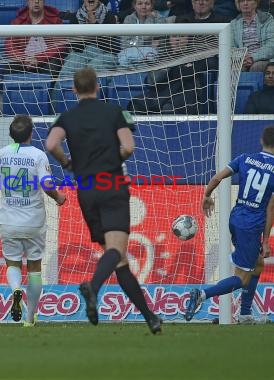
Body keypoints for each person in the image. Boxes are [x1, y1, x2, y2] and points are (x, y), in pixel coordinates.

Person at [46, 67, 162, 334]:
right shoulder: (114, 112)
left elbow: (51, 144)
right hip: (111, 183)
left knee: (118, 260)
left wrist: (67, 163)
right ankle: (93, 287)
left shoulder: (67, 116)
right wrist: (112, 159)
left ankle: (150, 318)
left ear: (74, 89)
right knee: (116, 251)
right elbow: (129, 146)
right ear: (97, 86)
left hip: (85, 187)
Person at [183, 125, 274, 322]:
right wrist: (265, 241)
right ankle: (202, 295)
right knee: (242, 277)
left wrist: (207, 195)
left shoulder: (245, 158)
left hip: (236, 217)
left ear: (261, 141)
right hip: (251, 225)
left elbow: (217, 177)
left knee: (257, 264)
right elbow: (271, 208)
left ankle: (245, 313)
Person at [0, 115, 66, 326]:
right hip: (34, 220)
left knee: (12, 262)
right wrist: (59, 197)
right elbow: (47, 185)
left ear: (10, 134)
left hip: (8, 220)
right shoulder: (38, 155)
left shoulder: (0, 154)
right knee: (34, 267)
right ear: (31, 134)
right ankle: (30, 317)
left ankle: (15, 290)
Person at [4, 0, 68, 77]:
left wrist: (38, 59)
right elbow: (9, 45)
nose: (36, 1)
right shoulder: (17, 22)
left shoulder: (55, 21)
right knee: (8, 69)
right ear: (27, 2)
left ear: (44, 2)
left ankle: (52, 89)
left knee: (53, 66)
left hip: (46, 61)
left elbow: (59, 45)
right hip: (24, 61)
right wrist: (24, 58)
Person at [230, 0, 274, 72]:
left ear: (256, 2)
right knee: (231, 69)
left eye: (249, 0)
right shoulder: (233, 24)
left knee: (256, 67)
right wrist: (241, 58)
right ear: (238, 4)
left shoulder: (267, 19)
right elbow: (231, 47)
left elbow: (272, 45)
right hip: (242, 60)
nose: (245, 3)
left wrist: (253, 57)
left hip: (266, 59)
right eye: (241, 1)